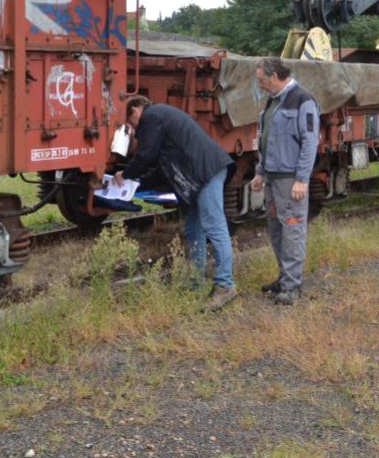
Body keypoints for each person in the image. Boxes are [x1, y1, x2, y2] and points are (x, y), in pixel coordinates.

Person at [115, 96, 238, 310]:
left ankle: (225, 286)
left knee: (214, 227)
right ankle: (195, 282)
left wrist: (125, 174)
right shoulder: (161, 116)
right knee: (194, 229)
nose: (132, 130)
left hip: (204, 172)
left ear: (135, 110)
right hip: (198, 175)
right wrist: (135, 183)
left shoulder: (152, 116)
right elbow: (159, 165)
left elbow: (146, 155)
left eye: (129, 123)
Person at [250, 57, 320, 305]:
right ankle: (285, 278)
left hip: (290, 180)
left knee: (292, 230)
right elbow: (266, 140)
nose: (259, 85)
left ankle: (292, 286)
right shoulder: (273, 102)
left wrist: (302, 179)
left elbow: (310, 142)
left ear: (274, 77)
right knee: (277, 231)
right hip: (272, 178)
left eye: (261, 80)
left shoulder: (303, 100)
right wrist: (260, 172)